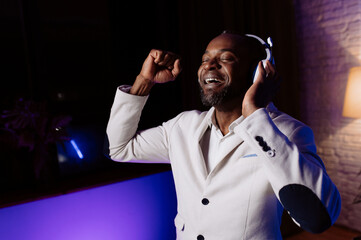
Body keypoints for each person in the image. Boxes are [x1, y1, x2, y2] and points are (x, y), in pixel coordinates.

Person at [106, 32, 341, 240]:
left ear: (258, 71)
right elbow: (119, 148)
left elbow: (317, 219)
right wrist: (144, 81)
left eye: (226, 58)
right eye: (205, 59)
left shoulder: (287, 132)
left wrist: (256, 115)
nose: (210, 65)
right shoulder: (182, 126)